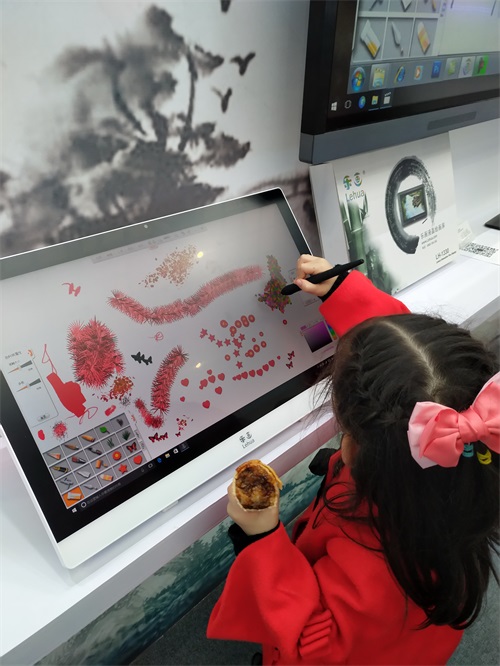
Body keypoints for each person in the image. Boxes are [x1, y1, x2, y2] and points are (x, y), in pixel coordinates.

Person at [207, 254, 500, 665]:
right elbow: (413, 363)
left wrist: (262, 539)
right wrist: (343, 293)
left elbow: (310, 646)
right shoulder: (465, 466)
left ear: (354, 451)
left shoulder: (376, 578)